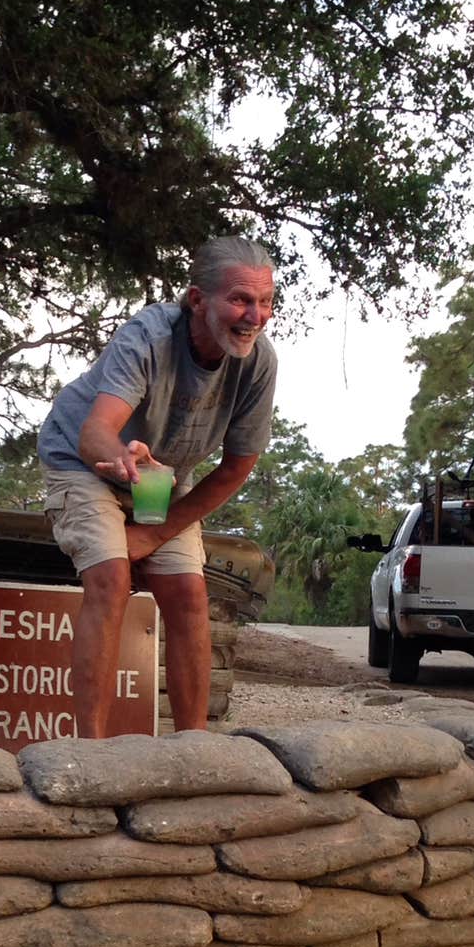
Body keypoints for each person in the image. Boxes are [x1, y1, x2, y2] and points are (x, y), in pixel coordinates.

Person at [39, 236, 277, 737]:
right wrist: (121, 457)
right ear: (197, 301)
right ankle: (90, 751)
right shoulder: (147, 336)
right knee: (111, 577)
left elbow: (236, 468)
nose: (254, 315)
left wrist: (154, 532)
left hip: (164, 473)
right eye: (240, 299)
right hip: (85, 461)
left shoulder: (259, 363)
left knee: (190, 594)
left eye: (265, 302)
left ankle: (192, 745)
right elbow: (94, 433)